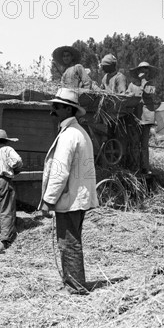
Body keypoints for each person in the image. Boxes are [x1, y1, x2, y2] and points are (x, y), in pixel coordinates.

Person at [40, 88, 98, 295]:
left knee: (68, 242)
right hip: (75, 196)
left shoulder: (69, 135)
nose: (51, 110)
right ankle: (71, 281)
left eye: (56, 106)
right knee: (69, 240)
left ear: (67, 109)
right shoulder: (77, 132)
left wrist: (48, 200)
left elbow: (60, 171)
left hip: (71, 197)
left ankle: (76, 286)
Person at [126, 61, 159, 174]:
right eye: (141, 69)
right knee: (134, 143)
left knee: (144, 144)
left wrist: (144, 81)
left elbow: (148, 93)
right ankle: (135, 167)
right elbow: (127, 95)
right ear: (137, 71)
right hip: (135, 115)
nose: (143, 71)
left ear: (149, 71)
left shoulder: (151, 84)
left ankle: (145, 167)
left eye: (145, 69)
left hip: (146, 116)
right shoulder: (132, 84)